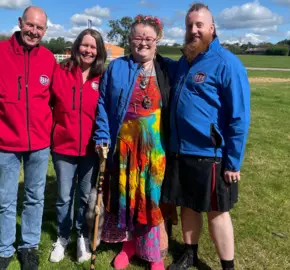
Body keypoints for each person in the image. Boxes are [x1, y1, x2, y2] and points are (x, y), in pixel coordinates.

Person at [161, 3, 251, 270]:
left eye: (199, 25)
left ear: (212, 28)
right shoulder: (183, 62)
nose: (193, 30)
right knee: (187, 205)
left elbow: (239, 117)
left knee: (217, 212)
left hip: (210, 154)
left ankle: (228, 266)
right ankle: (189, 253)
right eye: (189, 26)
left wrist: (233, 162)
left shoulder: (227, 63)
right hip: (180, 150)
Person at [0, 6, 56, 270]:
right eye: (30, 25)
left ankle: (28, 246)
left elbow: (55, 100)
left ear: (45, 30)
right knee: (5, 200)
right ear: (20, 23)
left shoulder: (48, 59)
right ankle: (3, 249)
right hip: (5, 143)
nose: (34, 31)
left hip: (39, 145)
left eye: (39, 28)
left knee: (35, 197)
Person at [94, 15, 172, 270]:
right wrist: (103, 135)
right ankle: (128, 246)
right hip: (124, 148)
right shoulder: (117, 68)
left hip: (154, 149)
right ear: (130, 40)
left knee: (150, 200)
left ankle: (154, 254)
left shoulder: (168, 68)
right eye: (138, 38)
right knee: (126, 198)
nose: (143, 43)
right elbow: (103, 104)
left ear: (157, 40)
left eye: (148, 38)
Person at [47, 29, 107, 263]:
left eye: (93, 47)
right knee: (63, 196)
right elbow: (47, 104)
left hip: (90, 150)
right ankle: (62, 237)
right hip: (62, 147)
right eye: (85, 45)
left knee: (84, 196)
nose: (88, 50)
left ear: (99, 51)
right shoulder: (61, 71)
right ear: (77, 46)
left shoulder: (102, 77)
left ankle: (82, 235)